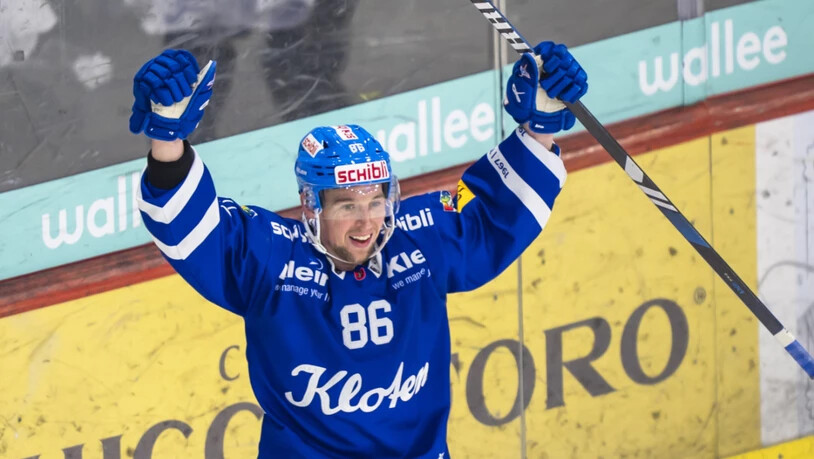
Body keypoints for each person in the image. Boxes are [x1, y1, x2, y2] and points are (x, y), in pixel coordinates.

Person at [130, 43, 587, 457]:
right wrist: (168, 139)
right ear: (312, 206)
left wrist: (539, 125)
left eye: (375, 201)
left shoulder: (421, 238)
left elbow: (493, 220)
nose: (367, 221)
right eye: (348, 205)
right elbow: (192, 231)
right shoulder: (271, 259)